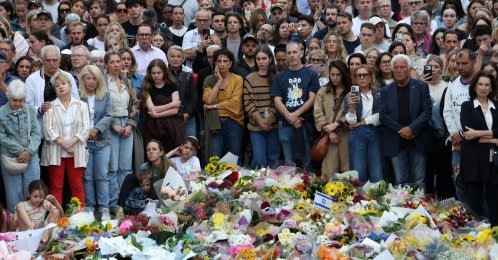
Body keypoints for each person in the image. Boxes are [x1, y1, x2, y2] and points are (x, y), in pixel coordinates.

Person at [380, 54, 432, 190]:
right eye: (395, 67)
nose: (398, 70)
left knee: (419, 180)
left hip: (417, 139)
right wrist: (402, 129)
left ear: (409, 69)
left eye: (402, 67)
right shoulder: (386, 90)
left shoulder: (421, 87)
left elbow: (427, 112)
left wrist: (412, 128)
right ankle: (402, 210)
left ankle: (420, 210)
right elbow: (383, 116)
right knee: (400, 181)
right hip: (396, 141)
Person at [41, 71, 90, 206]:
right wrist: (65, 145)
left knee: (77, 186)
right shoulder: (50, 107)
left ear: (70, 85)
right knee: (56, 186)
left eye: (63, 83)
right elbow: (48, 131)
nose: (60, 87)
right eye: (57, 85)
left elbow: (86, 128)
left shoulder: (82, 105)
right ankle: (56, 219)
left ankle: (80, 218)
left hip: (76, 150)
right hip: (55, 151)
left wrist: (71, 143)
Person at [271, 41, 318, 170]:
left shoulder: (311, 74)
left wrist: (295, 115)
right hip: (285, 125)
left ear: (301, 53)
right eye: (289, 53)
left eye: (295, 52)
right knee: (289, 165)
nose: (291, 55)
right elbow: (277, 101)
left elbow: (312, 99)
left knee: (306, 163)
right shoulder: (280, 76)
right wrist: (289, 117)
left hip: (305, 123)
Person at [460, 70, 498, 226]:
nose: (483, 88)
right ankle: (476, 237)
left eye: (487, 85)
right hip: (473, 159)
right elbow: (468, 135)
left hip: (493, 161)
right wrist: (494, 139)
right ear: (475, 86)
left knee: (495, 202)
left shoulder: (497, 106)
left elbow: (474, 134)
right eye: (480, 84)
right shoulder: (467, 106)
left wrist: (478, 133)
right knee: (474, 203)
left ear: (491, 88)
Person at [104, 50, 139, 214]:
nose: (117, 65)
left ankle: (125, 201)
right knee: (113, 167)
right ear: (106, 65)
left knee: (126, 167)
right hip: (111, 125)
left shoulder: (127, 81)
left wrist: (131, 124)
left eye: (119, 61)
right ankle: (113, 203)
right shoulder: (103, 82)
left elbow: (135, 103)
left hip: (127, 123)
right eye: (112, 62)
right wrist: (113, 125)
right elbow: (101, 107)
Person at [0, 80, 41, 213]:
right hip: (10, 157)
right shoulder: (1, 112)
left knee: (33, 191)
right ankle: (15, 227)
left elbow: (36, 132)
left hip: (31, 156)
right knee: (13, 194)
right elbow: (2, 137)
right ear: (8, 97)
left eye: (21, 100)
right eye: (14, 100)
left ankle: (33, 223)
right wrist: (19, 151)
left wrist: (29, 151)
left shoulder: (30, 110)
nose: (17, 104)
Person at [79, 65, 112, 221]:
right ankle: (90, 207)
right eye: (88, 78)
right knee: (87, 176)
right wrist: (86, 132)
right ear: (83, 79)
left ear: (99, 80)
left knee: (102, 175)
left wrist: (96, 129)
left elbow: (108, 115)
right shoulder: (78, 96)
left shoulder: (105, 95)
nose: (91, 82)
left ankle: (104, 208)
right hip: (84, 142)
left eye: (94, 78)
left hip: (102, 141)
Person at [443, 48, 476, 203]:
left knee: (477, 184)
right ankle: (466, 218)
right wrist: (454, 133)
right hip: (457, 144)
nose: (460, 67)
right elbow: (448, 111)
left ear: (474, 62)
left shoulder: (480, 84)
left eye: (465, 63)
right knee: (459, 182)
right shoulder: (452, 85)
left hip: (478, 142)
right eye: (458, 63)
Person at [203, 48, 244, 160]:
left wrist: (213, 107)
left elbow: (235, 102)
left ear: (230, 63)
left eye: (225, 61)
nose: (222, 64)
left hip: (233, 121)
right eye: (219, 61)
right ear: (215, 63)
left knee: (234, 156)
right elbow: (208, 100)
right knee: (215, 157)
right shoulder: (209, 79)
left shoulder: (237, 79)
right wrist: (219, 81)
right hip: (215, 121)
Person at [243, 45, 280, 169]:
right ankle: (258, 186)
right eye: (258, 59)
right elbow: (248, 102)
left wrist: (269, 120)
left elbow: (278, 101)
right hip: (256, 126)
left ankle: (273, 186)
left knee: (273, 158)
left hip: (273, 125)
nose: (261, 62)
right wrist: (260, 121)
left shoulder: (277, 77)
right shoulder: (249, 79)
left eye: (264, 58)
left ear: (270, 59)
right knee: (259, 159)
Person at [345, 65, 383, 182]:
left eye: (365, 75)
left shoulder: (379, 94)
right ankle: (359, 198)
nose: (362, 77)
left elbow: (382, 115)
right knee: (359, 171)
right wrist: (352, 105)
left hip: (376, 132)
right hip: (357, 134)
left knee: (377, 172)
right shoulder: (350, 95)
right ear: (355, 79)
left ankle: (377, 198)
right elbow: (351, 121)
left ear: (371, 77)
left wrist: (363, 122)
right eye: (358, 75)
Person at [314, 60, 350, 177]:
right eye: (332, 74)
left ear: (344, 74)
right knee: (329, 173)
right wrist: (329, 131)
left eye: (338, 75)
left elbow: (353, 113)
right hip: (328, 136)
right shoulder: (323, 91)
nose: (335, 78)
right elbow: (318, 113)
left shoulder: (351, 91)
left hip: (346, 134)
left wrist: (337, 124)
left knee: (347, 171)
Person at [142, 59, 183, 152]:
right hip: (153, 128)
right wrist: (172, 104)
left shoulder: (172, 85)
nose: (156, 76)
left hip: (171, 127)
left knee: (170, 153)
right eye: (153, 73)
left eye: (159, 73)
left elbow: (175, 110)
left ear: (164, 72)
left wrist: (158, 114)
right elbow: (152, 109)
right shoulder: (147, 87)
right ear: (149, 73)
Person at [167, 46, 197, 138]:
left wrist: (187, 114)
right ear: (168, 58)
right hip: (168, 118)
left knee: (189, 146)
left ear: (183, 59)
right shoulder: (163, 75)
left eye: (179, 56)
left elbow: (194, 98)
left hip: (187, 118)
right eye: (172, 56)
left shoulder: (187, 75)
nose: (175, 59)